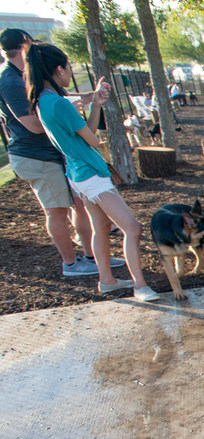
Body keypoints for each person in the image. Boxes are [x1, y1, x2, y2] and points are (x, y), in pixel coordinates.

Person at [25, 42, 158, 301]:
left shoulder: (43, 101)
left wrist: (95, 103)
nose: (69, 74)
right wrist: (91, 110)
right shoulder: (58, 103)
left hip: (77, 174)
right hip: (91, 174)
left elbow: (87, 133)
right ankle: (140, 286)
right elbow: (94, 141)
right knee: (132, 228)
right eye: (68, 69)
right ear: (58, 69)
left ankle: (106, 280)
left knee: (100, 226)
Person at [0, 28, 113, 278]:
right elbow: (32, 123)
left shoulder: (33, 75)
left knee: (78, 204)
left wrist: (91, 99)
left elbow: (60, 103)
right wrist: (68, 120)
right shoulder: (9, 80)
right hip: (35, 156)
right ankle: (71, 264)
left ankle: (93, 256)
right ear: (24, 47)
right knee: (56, 211)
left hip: (55, 153)